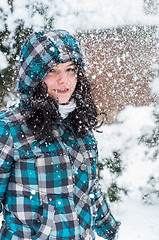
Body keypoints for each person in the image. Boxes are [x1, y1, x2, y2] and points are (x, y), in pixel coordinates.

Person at [0, 29, 120, 240]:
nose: (64, 81)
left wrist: (110, 229)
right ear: (33, 77)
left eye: (70, 69)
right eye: (52, 71)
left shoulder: (79, 127)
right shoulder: (10, 129)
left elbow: (90, 190)